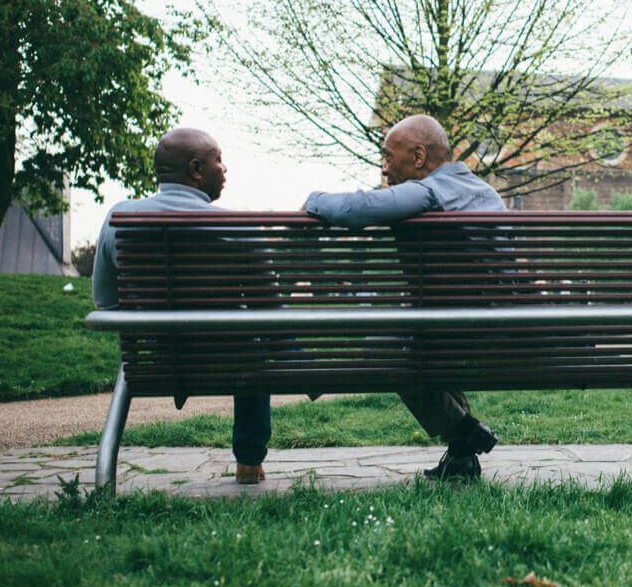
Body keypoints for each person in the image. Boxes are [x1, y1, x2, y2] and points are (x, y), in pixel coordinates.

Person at [304, 114, 504, 480]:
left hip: (457, 333)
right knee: (404, 337)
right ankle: (461, 454)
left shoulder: (430, 191)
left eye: (388, 157)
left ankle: (462, 432)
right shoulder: (485, 193)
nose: (384, 169)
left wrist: (313, 198)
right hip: (498, 331)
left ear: (418, 157)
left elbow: (356, 210)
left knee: (385, 349)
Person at [92, 127, 272, 485]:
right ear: (196, 169)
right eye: (218, 160)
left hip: (154, 359)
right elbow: (268, 312)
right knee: (254, 351)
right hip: (230, 358)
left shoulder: (119, 219)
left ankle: (105, 472)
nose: (225, 169)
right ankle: (249, 463)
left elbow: (105, 300)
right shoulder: (239, 228)